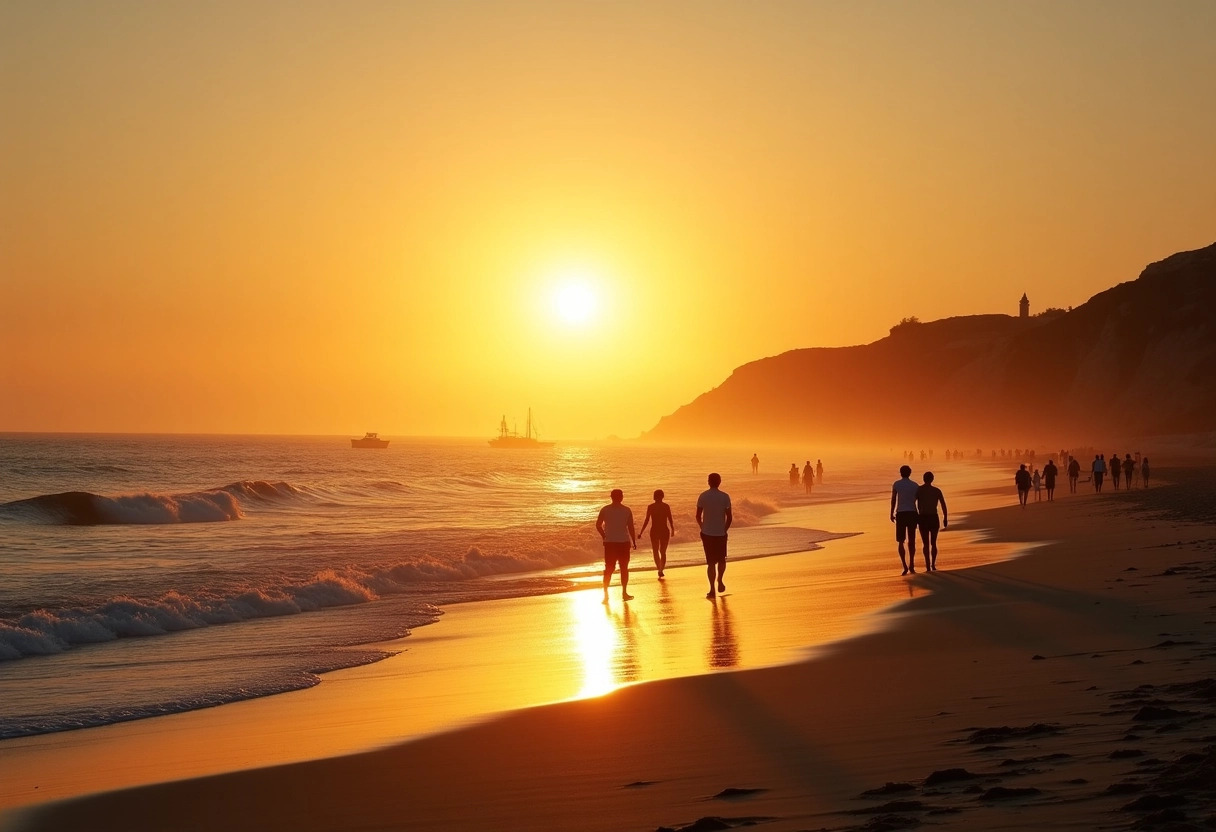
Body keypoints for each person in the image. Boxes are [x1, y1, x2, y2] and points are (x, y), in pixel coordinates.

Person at [595, 489, 637, 603]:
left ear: (611, 497)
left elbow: (598, 525)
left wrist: (604, 536)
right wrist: (634, 541)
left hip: (610, 543)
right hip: (623, 542)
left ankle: (606, 595)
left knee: (609, 568)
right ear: (621, 497)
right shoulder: (627, 510)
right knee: (624, 568)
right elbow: (630, 528)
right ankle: (624, 593)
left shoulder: (605, 509)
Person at [696, 473, 732, 599]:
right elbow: (729, 517)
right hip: (720, 533)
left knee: (710, 563)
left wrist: (702, 527)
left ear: (708, 482)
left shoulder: (703, 496)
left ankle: (712, 589)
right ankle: (720, 580)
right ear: (720, 482)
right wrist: (724, 529)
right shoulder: (725, 497)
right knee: (722, 560)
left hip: (707, 533)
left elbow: (697, 516)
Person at [638, 489, 675, 579]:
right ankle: (660, 569)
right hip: (663, 531)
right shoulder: (665, 506)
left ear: (654, 496)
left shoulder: (651, 507)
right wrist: (672, 529)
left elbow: (647, 520)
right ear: (662, 496)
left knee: (657, 551)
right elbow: (670, 519)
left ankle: (660, 569)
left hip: (655, 531)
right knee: (662, 552)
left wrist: (641, 532)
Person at [890, 465, 920, 575]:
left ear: (900, 473)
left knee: (900, 541)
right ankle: (912, 564)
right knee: (911, 540)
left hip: (901, 513)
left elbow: (893, 500)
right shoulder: (915, 485)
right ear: (910, 473)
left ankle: (905, 566)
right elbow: (917, 501)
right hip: (912, 512)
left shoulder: (897, 484)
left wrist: (891, 512)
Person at [915, 472, 948, 571]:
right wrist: (945, 517)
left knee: (926, 543)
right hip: (933, 517)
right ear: (932, 479)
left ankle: (928, 566)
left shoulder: (919, 490)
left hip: (923, 518)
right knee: (933, 543)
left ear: (923, 478)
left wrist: (916, 515)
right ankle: (933, 564)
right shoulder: (936, 491)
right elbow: (943, 505)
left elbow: (912, 502)